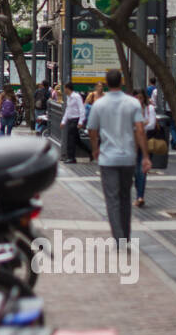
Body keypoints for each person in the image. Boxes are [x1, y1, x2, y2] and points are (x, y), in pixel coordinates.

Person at [87, 69, 151, 245]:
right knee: (124, 196)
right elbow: (140, 129)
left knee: (112, 198)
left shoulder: (98, 105)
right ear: (121, 82)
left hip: (108, 158)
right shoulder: (133, 103)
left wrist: (95, 149)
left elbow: (92, 130)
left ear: (107, 83)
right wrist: (145, 156)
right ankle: (126, 234)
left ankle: (119, 236)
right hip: (128, 157)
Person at [133, 87, 157, 208]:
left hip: (146, 143)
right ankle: (138, 194)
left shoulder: (150, 109)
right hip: (133, 143)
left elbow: (152, 125)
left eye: (141, 98)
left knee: (142, 170)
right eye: (136, 98)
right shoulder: (131, 110)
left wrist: (139, 126)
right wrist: (143, 124)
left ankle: (140, 196)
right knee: (136, 171)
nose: (139, 100)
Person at [60, 81, 83, 163]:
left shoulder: (76, 97)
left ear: (67, 88)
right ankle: (89, 152)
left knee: (71, 139)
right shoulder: (68, 97)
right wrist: (63, 121)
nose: (64, 90)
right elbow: (67, 110)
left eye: (64, 88)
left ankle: (71, 157)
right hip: (70, 120)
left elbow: (81, 109)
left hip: (75, 120)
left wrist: (81, 121)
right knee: (77, 140)